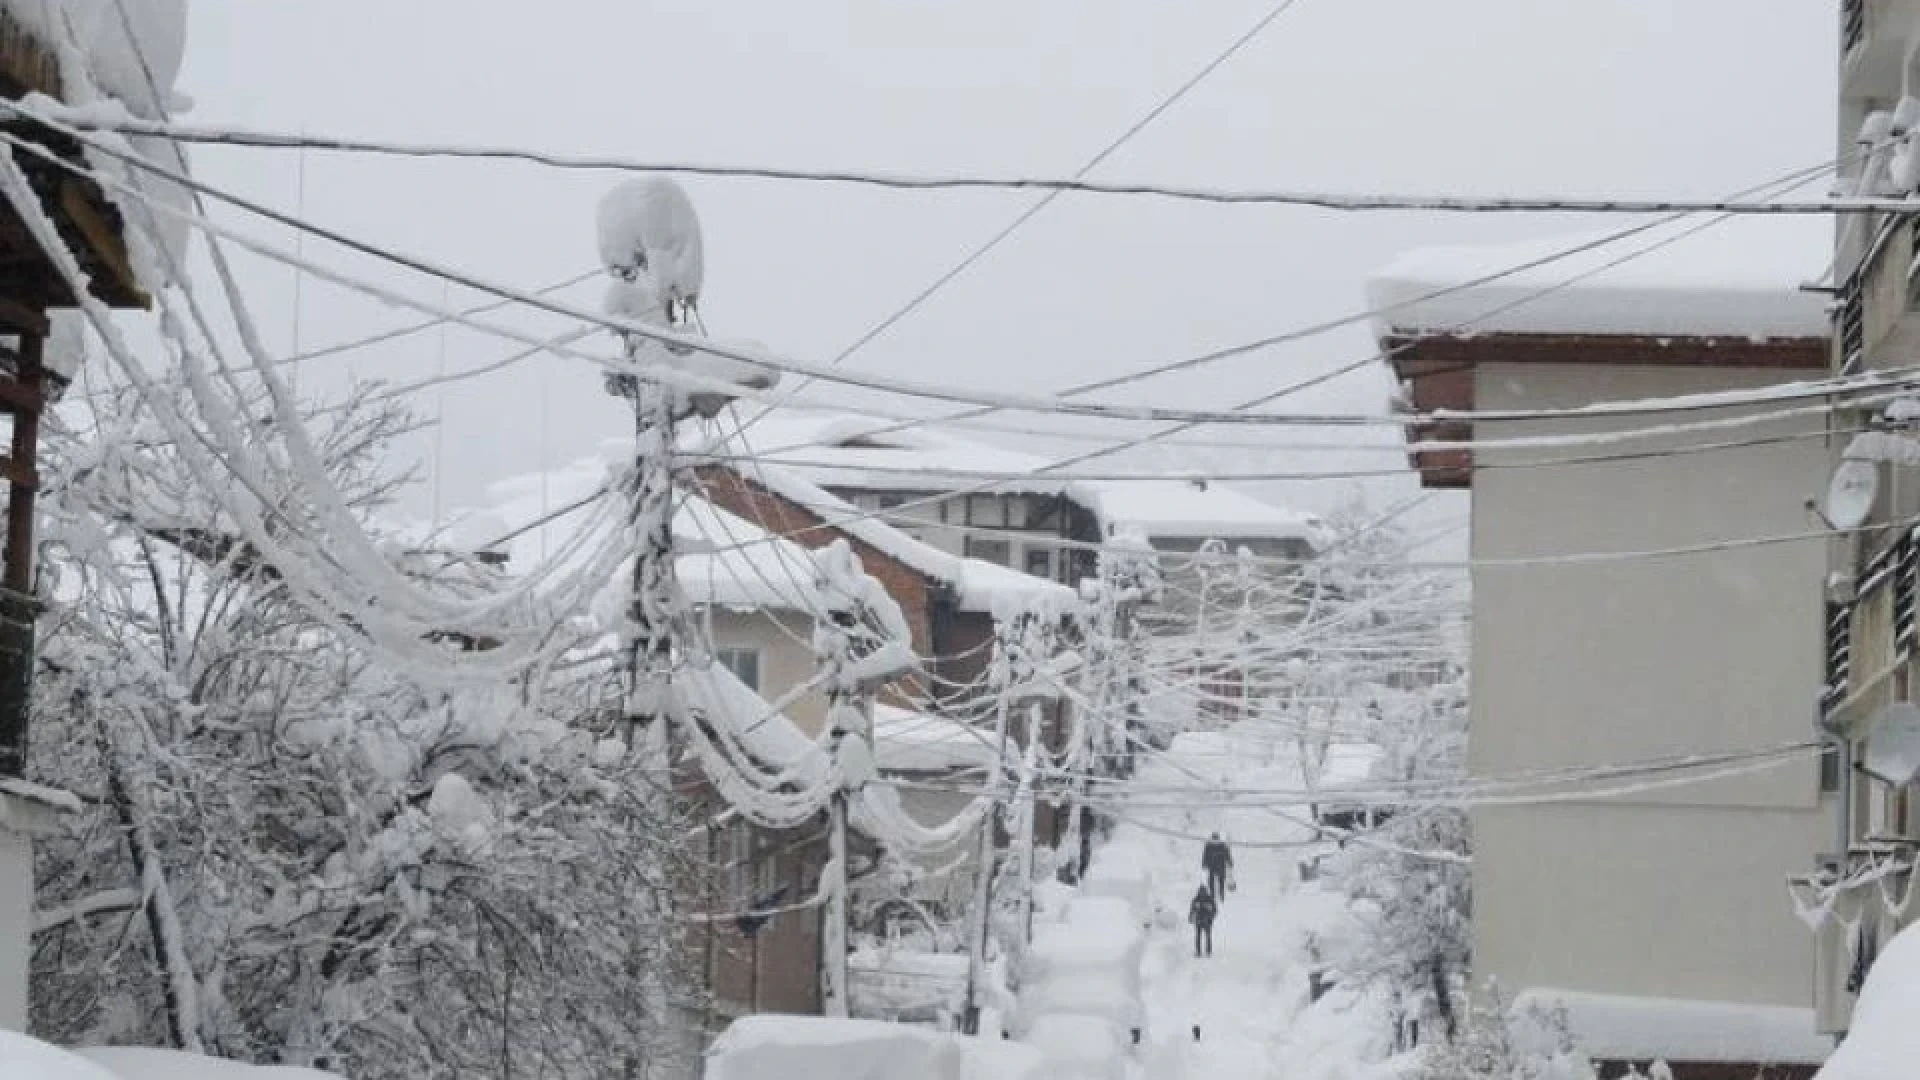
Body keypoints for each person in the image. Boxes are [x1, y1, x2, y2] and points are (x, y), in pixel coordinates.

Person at [1201, 833, 1233, 905]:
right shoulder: (1209, 846)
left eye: (1216, 838)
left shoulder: (1222, 846)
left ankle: (1221, 895)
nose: (1215, 840)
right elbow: (1205, 855)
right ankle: (1213, 896)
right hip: (1213, 866)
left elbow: (1227, 854)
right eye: (1214, 838)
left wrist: (1229, 862)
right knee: (1211, 882)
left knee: (1221, 882)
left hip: (1220, 866)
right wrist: (1204, 864)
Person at [1188, 882, 1217, 958]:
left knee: (1207, 936)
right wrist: (1191, 917)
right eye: (1201, 892)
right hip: (1198, 920)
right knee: (1198, 936)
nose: (1202, 894)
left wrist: (1210, 914)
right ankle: (1198, 951)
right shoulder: (1196, 899)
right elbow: (1192, 909)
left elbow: (1214, 910)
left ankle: (1208, 951)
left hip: (1207, 920)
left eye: (1203, 892)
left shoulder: (1209, 899)